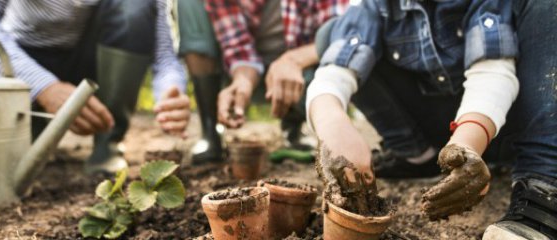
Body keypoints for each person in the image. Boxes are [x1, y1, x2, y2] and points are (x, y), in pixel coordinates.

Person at [308, 0, 557, 239]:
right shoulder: (376, 6)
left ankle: (542, 185)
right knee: (331, 34)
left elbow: (492, 72)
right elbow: (334, 73)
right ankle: (418, 157)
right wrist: (333, 125)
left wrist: (467, 143)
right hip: (442, 136)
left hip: (503, 126)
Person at [0, 0, 190, 174]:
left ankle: (107, 142)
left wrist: (171, 92)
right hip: (27, 58)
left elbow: (165, 56)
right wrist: (43, 87)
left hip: (92, 62)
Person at [177, 0, 351, 164]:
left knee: (338, 62)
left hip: (302, 74)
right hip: (242, 73)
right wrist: (243, 81)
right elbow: (238, 47)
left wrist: (293, 61)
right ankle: (209, 131)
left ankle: (294, 124)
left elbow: (341, 35)